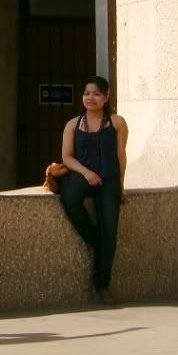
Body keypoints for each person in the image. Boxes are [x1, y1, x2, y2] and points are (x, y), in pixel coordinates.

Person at [58, 76, 128, 305]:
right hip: (82, 174)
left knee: (110, 229)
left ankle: (102, 285)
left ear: (107, 97)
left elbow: (120, 155)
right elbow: (66, 157)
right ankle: (96, 240)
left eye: (97, 94)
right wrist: (86, 172)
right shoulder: (73, 124)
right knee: (69, 197)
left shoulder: (117, 122)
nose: (91, 98)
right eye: (87, 93)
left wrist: (121, 185)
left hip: (108, 178)